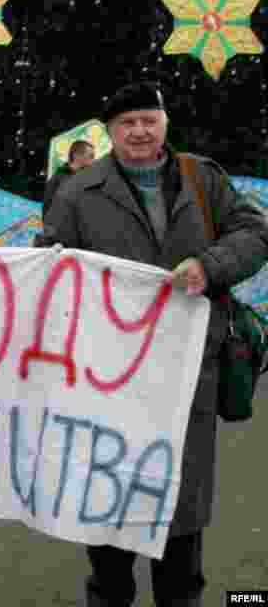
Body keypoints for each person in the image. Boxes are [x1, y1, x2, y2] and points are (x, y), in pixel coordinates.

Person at [36, 81, 268, 607]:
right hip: (107, 373)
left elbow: (255, 234)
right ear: (110, 132)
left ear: (164, 124)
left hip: (190, 366)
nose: (139, 131)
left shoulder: (203, 178)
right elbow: (50, 265)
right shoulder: (77, 191)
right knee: (107, 492)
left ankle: (179, 596)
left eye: (148, 120)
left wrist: (209, 266)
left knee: (181, 503)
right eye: (127, 123)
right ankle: (110, 592)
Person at [43, 139, 95, 217]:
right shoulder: (58, 178)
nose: (93, 160)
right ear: (76, 155)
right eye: (91, 156)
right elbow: (47, 208)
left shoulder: (89, 179)